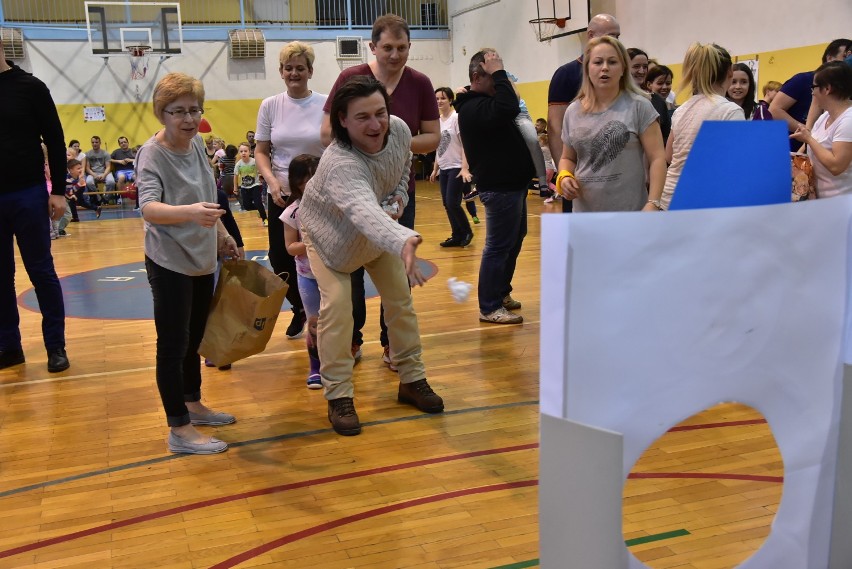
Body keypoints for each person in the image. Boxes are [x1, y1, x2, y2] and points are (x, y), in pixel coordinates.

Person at [300, 76, 444, 436]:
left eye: (380, 112)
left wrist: (398, 201)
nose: (376, 124)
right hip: (329, 238)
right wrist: (403, 237)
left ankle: (411, 379)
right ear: (342, 121)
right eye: (362, 117)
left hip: (379, 232)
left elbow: (401, 169)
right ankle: (338, 395)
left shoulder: (396, 130)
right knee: (338, 308)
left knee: (400, 300)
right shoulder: (339, 162)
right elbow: (362, 210)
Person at [320, 13, 440, 366]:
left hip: (398, 192)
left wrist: (389, 144)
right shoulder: (351, 78)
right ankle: (353, 341)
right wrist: (378, 142)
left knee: (396, 274)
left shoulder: (419, 83)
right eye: (387, 47)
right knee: (350, 271)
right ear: (372, 47)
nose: (395, 54)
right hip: (352, 190)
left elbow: (433, 137)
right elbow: (327, 133)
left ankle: (392, 345)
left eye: (402, 47)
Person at [136, 72, 242, 455]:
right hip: (169, 261)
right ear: (161, 113)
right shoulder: (153, 153)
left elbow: (207, 194)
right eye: (177, 111)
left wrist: (223, 235)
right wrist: (190, 213)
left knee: (195, 336)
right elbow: (147, 207)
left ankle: (192, 402)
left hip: (201, 255)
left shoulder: (196, 144)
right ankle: (178, 429)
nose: (188, 118)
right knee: (172, 343)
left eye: (194, 110)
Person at [0, 37, 70, 372]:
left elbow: (55, 139)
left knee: (41, 271)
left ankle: (56, 346)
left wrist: (58, 190)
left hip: (28, 192)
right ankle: (9, 346)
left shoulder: (30, 87)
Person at [455, 50, 535, 325]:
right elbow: (509, 106)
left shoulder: (481, 103)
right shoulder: (472, 107)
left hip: (512, 186)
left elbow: (509, 105)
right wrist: (500, 73)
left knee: (513, 240)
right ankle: (489, 306)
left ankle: (500, 293)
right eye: (495, 75)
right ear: (477, 77)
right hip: (500, 189)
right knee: (498, 247)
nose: (501, 80)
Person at [255, 41, 326, 341]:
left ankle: (324, 312)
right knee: (280, 257)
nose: (294, 73)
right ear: (281, 72)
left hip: (320, 194)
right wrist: (272, 182)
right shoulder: (270, 105)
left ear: (310, 71)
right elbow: (261, 151)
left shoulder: (326, 103)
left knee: (322, 253)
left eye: (300, 68)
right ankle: (300, 307)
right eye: (288, 68)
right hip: (282, 194)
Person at [557, 36, 667, 213]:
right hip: (585, 216)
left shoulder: (639, 106)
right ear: (587, 69)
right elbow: (567, 158)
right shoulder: (572, 111)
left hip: (630, 214)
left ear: (623, 68)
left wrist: (653, 202)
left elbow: (657, 158)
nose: (605, 68)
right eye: (598, 62)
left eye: (612, 62)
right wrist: (564, 177)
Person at [547, 13, 621, 213]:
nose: (614, 41)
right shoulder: (566, 74)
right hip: (580, 177)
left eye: (617, 36)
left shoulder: (621, 74)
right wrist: (563, 175)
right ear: (591, 35)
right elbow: (555, 128)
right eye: (610, 35)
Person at [660, 42, 744, 209]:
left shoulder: (681, 109)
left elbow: (668, 156)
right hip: (702, 201)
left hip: (669, 198)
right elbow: (736, 164)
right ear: (730, 72)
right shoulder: (730, 110)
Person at [281, 154, 322, 389]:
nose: (315, 181)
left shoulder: (332, 205)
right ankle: (315, 369)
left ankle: (336, 363)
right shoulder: (292, 212)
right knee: (315, 323)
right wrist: (312, 243)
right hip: (307, 277)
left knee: (337, 320)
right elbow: (290, 248)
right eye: (309, 177)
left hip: (334, 273)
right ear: (297, 181)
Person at [771, 39, 852, 151]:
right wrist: (806, 133)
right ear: (829, 58)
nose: (847, 61)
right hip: (791, 147)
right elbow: (774, 110)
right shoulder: (803, 80)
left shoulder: (843, 97)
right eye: (845, 56)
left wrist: (809, 138)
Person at [790, 62, 852, 197]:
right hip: (822, 200)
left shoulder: (848, 120)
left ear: (827, 89)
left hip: (842, 201)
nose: (812, 93)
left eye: (814, 87)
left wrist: (808, 139)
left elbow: (836, 166)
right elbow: (811, 149)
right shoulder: (824, 117)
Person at [430, 87, 473, 248]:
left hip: (457, 166)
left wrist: (464, 167)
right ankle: (457, 235)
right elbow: (438, 146)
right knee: (447, 203)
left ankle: (467, 231)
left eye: (443, 98)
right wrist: (435, 169)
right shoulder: (437, 121)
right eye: (437, 99)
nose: (439, 101)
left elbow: (465, 144)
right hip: (444, 167)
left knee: (452, 202)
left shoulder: (456, 118)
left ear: (450, 100)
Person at [629, 47, 671, 144]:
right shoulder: (616, 99)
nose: (642, 71)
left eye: (645, 67)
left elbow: (665, 138)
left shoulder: (656, 100)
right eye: (636, 66)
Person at [234, 142, 266, 226]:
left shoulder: (254, 161)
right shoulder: (238, 164)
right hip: (244, 187)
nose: (243, 153)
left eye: (245, 151)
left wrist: (262, 176)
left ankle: (265, 219)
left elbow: (261, 169)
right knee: (246, 206)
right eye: (241, 151)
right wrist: (235, 188)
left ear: (250, 152)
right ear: (239, 153)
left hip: (255, 185)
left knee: (258, 202)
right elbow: (236, 176)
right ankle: (259, 210)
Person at [85, 135, 115, 205]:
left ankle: (106, 199)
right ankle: (99, 198)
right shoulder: (87, 154)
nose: (94, 144)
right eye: (93, 142)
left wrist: (104, 175)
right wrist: (94, 175)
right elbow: (87, 168)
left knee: (111, 182)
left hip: (105, 172)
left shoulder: (106, 154)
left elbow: (108, 167)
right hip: (93, 173)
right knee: (89, 182)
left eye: (96, 142)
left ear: (100, 143)